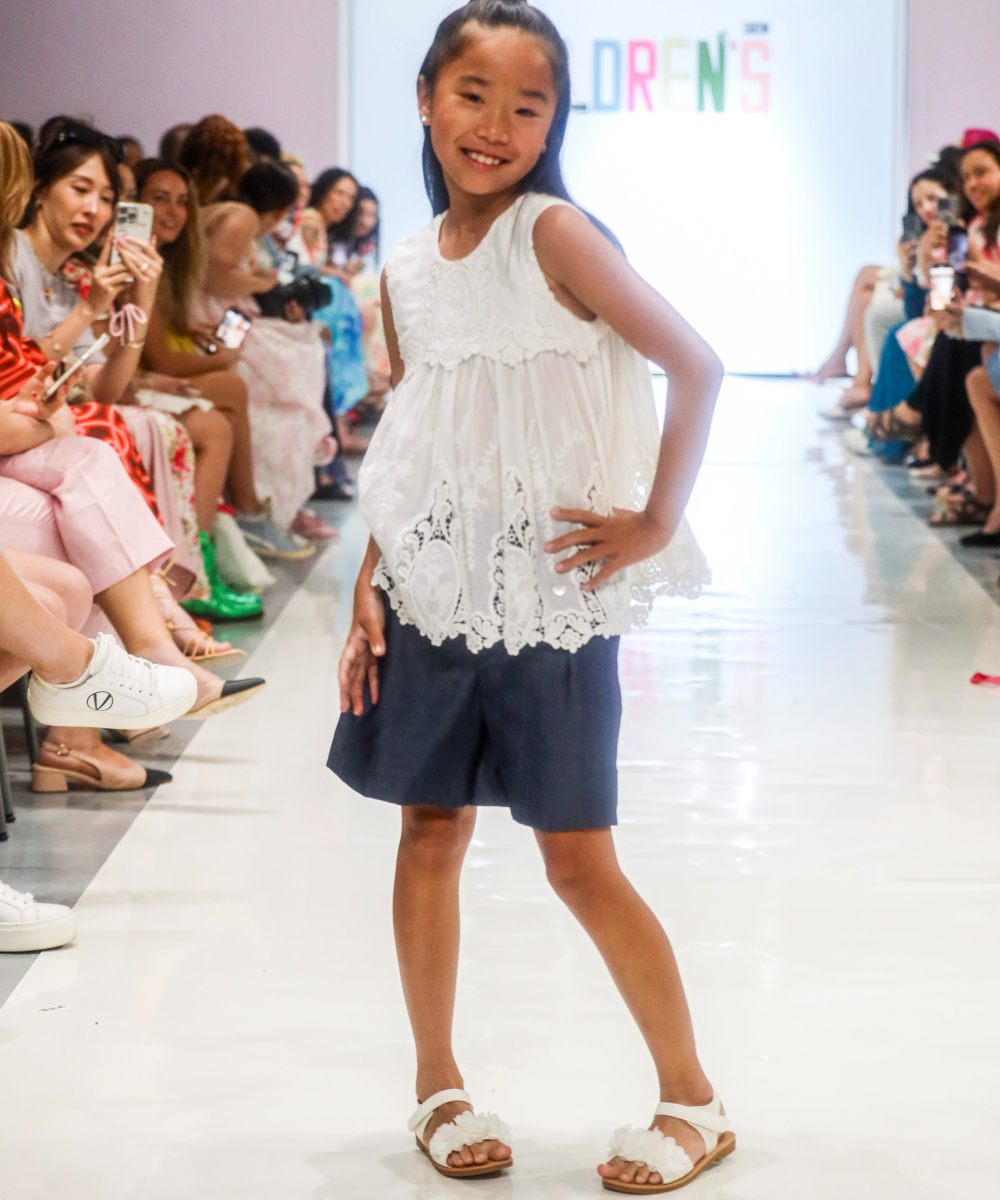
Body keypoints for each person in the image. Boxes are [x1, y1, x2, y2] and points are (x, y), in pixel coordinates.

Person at [328, 2, 729, 1193]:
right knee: (427, 833)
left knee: (576, 860)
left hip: (550, 596)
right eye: (472, 95)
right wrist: (369, 582)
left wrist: (655, 522)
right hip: (430, 587)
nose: (496, 124)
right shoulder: (405, 269)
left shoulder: (553, 234)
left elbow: (697, 364)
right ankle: (436, 1086)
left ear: (555, 120)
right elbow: (417, 437)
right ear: (423, 98)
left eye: (527, 103)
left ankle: (692, 1099)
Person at [135, 157, 301, 569]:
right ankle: (234, 525)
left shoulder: (162, 260)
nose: (173, 211)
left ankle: (211, 546)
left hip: (133, 375)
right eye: (160, 199)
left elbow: (161, 341)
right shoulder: (138, 263)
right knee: (232, 388)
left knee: (228, 399)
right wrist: (218, 356)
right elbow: (159, 356)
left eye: (181, 202)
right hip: (125, 383)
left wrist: (195, 340)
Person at [195, 157, 333, 549]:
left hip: (228, 312)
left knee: (303, 346)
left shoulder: (235, 216)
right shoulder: (240, 218)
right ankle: (259, 505)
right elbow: (213, 277)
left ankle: (270, 503)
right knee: (297, 358)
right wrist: (262, 281)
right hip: (217, 314)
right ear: (279, 207)